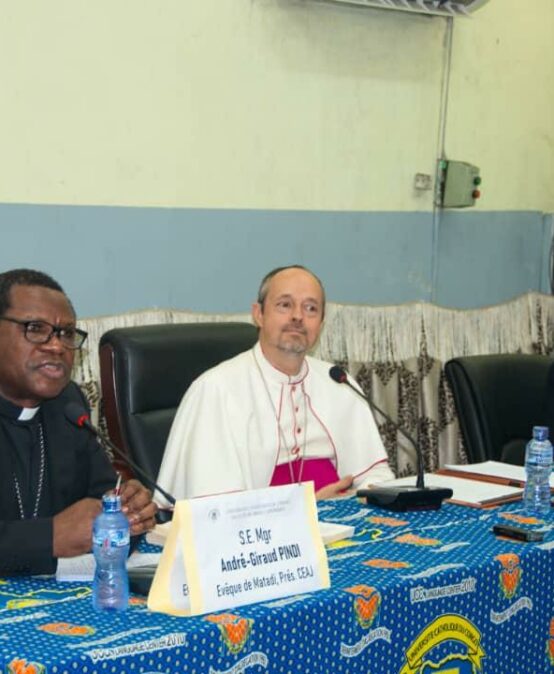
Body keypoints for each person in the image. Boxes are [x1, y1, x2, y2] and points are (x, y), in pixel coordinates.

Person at [158, 265, 394, 502]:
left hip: (343, 520)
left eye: (311, 308)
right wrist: (306, 507)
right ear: (258, 314)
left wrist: (357, 499)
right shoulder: (216, 390)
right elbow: (217, 507)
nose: (298, 317)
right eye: (285, 304)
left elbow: (376, 475)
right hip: (260, 532)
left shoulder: (338, 382)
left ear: (320, 324)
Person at [0, 268, 157, 575]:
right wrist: (50, 538)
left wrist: (129, 509)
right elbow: (59, 536)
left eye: (66, 333)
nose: (57, 346)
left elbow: (103, 495)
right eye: (35, 328)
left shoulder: (68, 404)